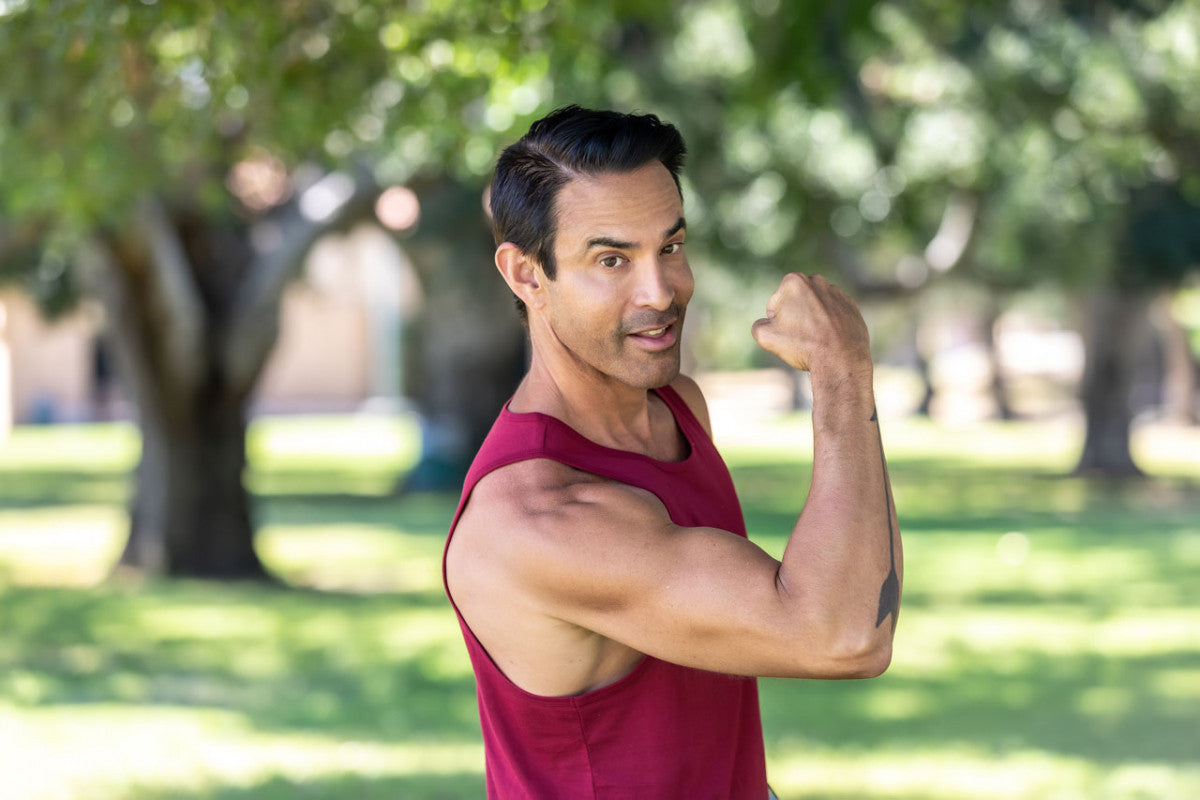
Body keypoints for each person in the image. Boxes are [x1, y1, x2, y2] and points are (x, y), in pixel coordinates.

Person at [443, 105, 902, 799]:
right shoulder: (538, 521)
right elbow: (843, 636)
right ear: (527, 275)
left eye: (671, 246)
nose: (659, 293)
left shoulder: (676, 408)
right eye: (611, 260)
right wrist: (843, 372)